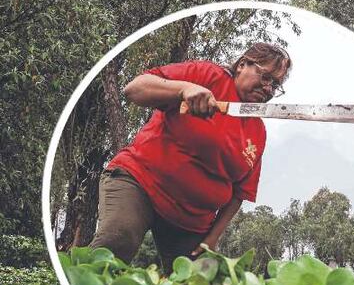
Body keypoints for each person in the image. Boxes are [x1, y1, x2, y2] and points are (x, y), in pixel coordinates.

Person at [88, 43, 291, 271]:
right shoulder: (208, 76)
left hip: (191, 220)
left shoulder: (257, 132)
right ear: (242, 65)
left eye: (276, 85)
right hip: (140, 181)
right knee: (118, 238)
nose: (269, 89)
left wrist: (212, 238)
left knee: (199, 282)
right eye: (265, 77)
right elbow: (134, 89)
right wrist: (184, 90)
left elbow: (239, 194)